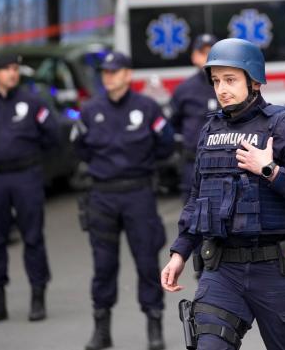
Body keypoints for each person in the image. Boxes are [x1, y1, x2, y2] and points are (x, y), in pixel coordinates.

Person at [161, 38, 285, 350]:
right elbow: (199, 198)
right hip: (222, 270)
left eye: (230, 80)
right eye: (216, 81)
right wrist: (180, 253)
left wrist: (270, 170)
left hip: (276, 271)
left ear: (254, 81)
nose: (222, 89)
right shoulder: (210, 131)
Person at [72, 51, 174, 350]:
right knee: (103, 265)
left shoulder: (147, 108)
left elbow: (166, 144)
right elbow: (80, 147)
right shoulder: (91, 110)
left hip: (138, 193)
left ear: (128, 75)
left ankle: (154, 325)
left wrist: (139, 167)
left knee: (146, 261)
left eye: (115, 72)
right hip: (102, 195)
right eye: (105, 72)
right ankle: (101, 328)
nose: (109, 76)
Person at [0, 54, 60, 322]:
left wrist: (32, 159)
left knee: (32, 237)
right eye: (6, 69)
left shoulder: (32, 103)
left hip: (26, 175)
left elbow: (53, 135)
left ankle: (37, 296)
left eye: (14, 68)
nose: (12, 73)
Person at [170, 33, 218, 202]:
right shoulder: (184, 90)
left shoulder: (232, 86)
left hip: (226, 164)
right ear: (194, 56)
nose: (207, 57)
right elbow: (174, 125)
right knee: (192, 220)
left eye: (212, 52)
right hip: (193, 164)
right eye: (203, 52)